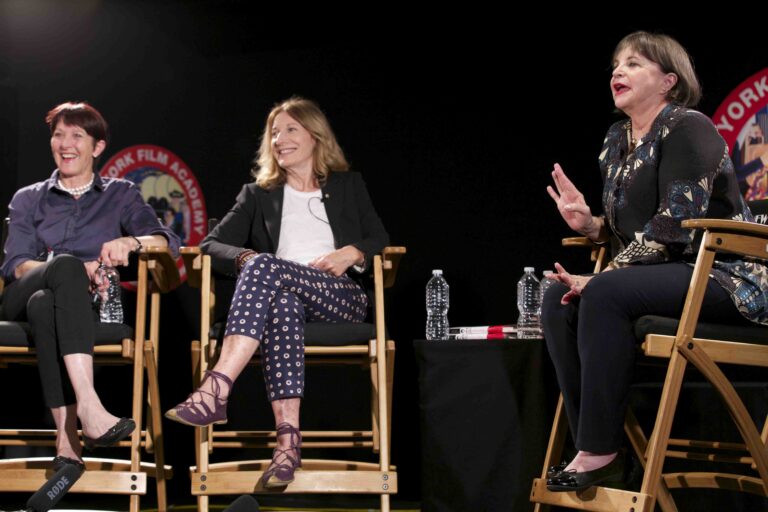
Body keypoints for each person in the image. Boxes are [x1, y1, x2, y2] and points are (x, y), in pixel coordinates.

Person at [542, 32, 768, 492]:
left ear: (668, 81)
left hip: (727, 277)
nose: (618, 72)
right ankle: (599, 443)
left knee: (601, 292)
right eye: (616, 65)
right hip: (665, 275)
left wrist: (603, 276)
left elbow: (674, 225)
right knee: (556, 300)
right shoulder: (615, 141)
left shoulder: (689, 127)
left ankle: (599, 450)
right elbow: (633, 231)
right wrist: (592, 226)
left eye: (634, 64)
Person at [165, 97, 389, 488]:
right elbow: (209, 246)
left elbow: (379, 237)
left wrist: (352, 252)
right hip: (284, 298)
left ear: (315, 135)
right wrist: (246, 256)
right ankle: (287, 447)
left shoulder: (348, 185)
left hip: (340, 297)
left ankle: (216, 387)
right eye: (273, 133)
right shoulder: (258, 194)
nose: (278, 139)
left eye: (289, 130)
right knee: (278, 295)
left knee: (264, 265)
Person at [0, 102, 180, 471]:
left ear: (97, 147)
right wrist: (76, 269)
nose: (65, 143)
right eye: (58, 135)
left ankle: (67, 442)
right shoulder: (28, 197)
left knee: (44, 303)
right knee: (58, 272)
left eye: (76, 136)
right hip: (17, 299)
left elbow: (165, 241)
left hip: (72, 309)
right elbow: (17, 265)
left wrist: (132, 243)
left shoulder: (121, 194)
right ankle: (89, 405)